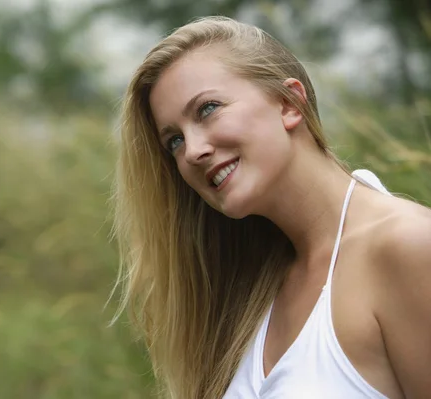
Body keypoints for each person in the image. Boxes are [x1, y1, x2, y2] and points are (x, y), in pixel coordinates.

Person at [111, 15, 431, 399]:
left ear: (289, 103)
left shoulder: (407, 246)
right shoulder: (251, 286)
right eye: (175, 141)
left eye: (208, 109)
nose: (193, 151)